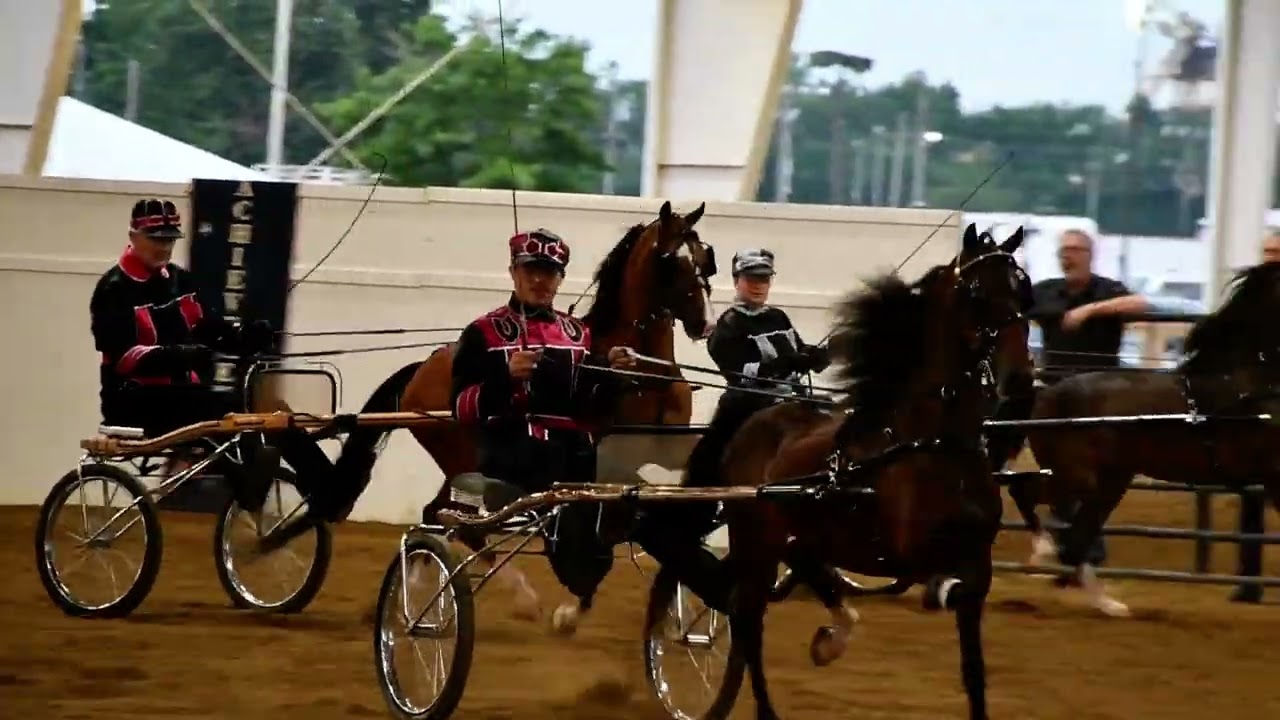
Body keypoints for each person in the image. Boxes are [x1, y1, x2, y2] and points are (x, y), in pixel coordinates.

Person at [92, 198, 335, 522]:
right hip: (132, 399)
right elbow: (123, 357)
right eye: (155, 238)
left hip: (181, 396)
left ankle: (327, 482)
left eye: (169, 239)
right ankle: (249, 484)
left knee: (263, 407)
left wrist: (244, 334)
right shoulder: (113, 289)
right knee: (219, 408)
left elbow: (206, 328)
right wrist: (176, 356)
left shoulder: (179, 281)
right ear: (133, 236)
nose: (163, 246)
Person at [632, 248, 829, 613]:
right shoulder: (727, 326)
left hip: (794, 404)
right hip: (751, 407)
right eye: (751, 278)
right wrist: (785, 363)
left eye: (764, 279)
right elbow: (739, 372)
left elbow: (799, 352)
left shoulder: (779, 316)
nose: (758, 286)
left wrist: (815, 356)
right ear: (737, 281)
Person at [449, 228, 637, 604]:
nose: (539, 279)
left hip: (576, 453)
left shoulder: (577, 333)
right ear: (513, 271)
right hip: (513, 452)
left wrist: (612, 374)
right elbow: (461, 407)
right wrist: (504, 379)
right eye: (530, 269)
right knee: (575, 509)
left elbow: (589, 402)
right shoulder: (483, 333)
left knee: (633, 493)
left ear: (560, 279)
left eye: (549, 272)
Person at [1030, 228, 1152, 571]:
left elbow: (1141, 304)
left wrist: (1091, 311)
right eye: (1063, 250)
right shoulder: (1045, 291)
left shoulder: (1106, 289)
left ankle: (1077, 545)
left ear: (1089, 254)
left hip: (1101, 399)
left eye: (1074, 250)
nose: (1067, 256)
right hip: (1056, 397)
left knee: (1089, 474)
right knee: (1068, 471)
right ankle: (1076, 547)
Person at [1230, 228, 1280, 604]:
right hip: (1260, 406)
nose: (1271, 257)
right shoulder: (1251, 295)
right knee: (1251, 492)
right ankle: (1249, 579)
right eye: (1267, 251)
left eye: (1277, 251)